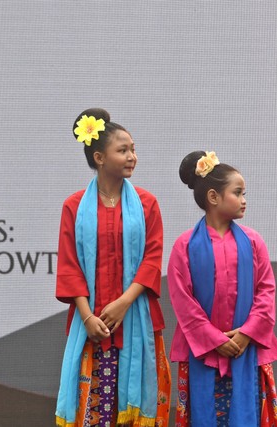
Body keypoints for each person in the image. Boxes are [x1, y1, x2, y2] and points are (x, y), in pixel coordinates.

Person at [55, 108, 171, 427]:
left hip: (137, 321)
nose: (132, 156)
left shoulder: (147, 204)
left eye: (133, 149)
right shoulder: (74, 206)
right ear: (99, 157)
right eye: (123, 150)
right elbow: (69, 266)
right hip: (91, 326)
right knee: (93, 413)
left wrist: (123, 303)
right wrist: (88, 315)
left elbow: (152, 259)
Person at [167, 151, 277, 427]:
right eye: (238, 192)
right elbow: (183, 303)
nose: (244, 200)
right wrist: (215, 340)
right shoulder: (184, 246)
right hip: (203, 353)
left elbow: (266, 292)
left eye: (244, 193)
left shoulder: (254, 242)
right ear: (213, 197)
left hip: (248, 351)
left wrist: (246, 334)